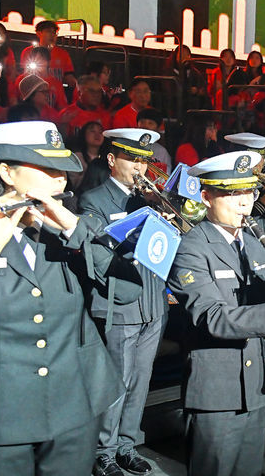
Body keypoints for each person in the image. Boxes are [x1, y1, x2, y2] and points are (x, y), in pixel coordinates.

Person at [0, 121, 141, 476]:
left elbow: (128, 291)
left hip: (74, 407)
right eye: (48, 169)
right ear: (6, 172)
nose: (60, 180)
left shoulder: (67, 231)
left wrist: (74, 229)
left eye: (62, 170)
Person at [167, 150, 265, 476]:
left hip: (256, 388)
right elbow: (210, 317)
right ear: (206, 197)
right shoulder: (191, 248)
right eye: (232, 194)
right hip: (216, 393)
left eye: (249, 191)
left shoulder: (254, 242)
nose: (244, 202)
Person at [79, 129, 167, 476]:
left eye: (144, 160)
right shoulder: (95, 199)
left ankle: (127, 444)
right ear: (112, 160)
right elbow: (96, 253)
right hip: (120, 302)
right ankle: (103, 451)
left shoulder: (151, 197)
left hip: (153, 300)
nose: (139, 167)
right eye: (132, 159)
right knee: (117, 382)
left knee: (141, 380)